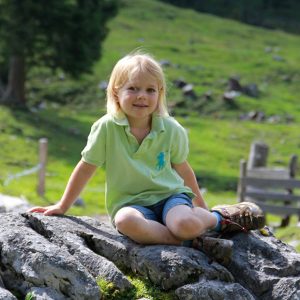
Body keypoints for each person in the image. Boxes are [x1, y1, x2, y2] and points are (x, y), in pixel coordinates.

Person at [28, 51, 265, 248]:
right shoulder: (106, 128)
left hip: (171, 197)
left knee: (186, 225)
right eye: (133, 88)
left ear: (160, 94)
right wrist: (62, 206)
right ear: (116, 93)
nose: (142, 96)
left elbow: (183, 169)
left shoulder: (171, 129)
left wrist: (200, 208)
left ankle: (219, 219)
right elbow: (86, 168)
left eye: (151, 90)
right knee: (124, 222)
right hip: (131, 204)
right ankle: (193, 244)